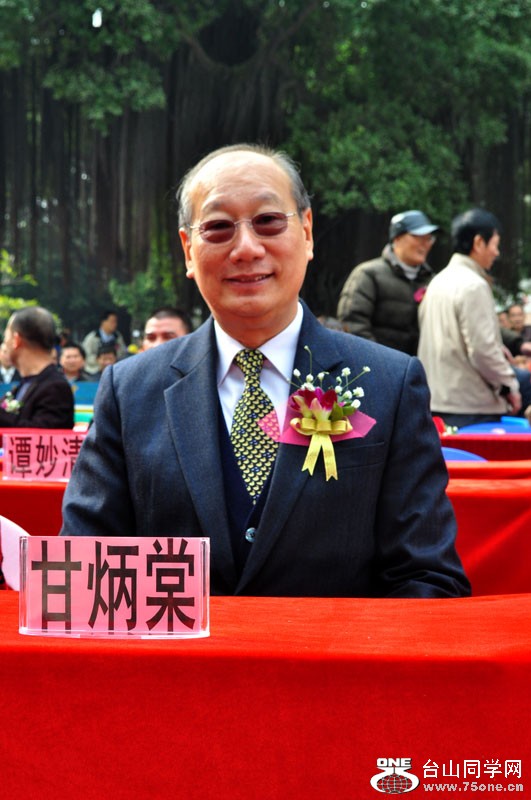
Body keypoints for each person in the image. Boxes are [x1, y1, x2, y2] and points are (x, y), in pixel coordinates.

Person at [61, 143, 469, 599]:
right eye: (218, 227)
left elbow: (427, 578)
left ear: (307, 232)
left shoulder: (390, 384)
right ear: (188, 250)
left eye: (269, 221)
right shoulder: (129, 391)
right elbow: (84, 573)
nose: (246, 248)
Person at [418, 208, 521, 428]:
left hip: (437, 402)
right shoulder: (474, 285)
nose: (497, 253)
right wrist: (510, 385)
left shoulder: (437, 282)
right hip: (471, 406)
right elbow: (482, 350)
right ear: (478, 242)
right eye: (495, 244)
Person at [336, 209, 438, 355]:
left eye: (429, 239)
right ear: (397, 238)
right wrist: (380, 361)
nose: (425, 244)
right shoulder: (368, 274)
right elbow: (352, 324)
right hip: (376, 363)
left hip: (420, 367)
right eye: (418, 236)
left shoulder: (434, 282)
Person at [0, 306, 74, 428]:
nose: (4, 344)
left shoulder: (55, 387)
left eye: (6, 337)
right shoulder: (25, 383)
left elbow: (42, 435)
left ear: (16, 340)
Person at [82, 310, 127, 374]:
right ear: (103, 322)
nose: (115, 324)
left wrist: (112, 360)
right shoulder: (92, 337)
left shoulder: (118, 337)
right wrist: (101, 361)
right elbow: (86, 355)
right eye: (112, 322)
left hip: (115, 369)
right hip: (94, 370)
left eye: (116, 322)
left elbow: (123, 352)